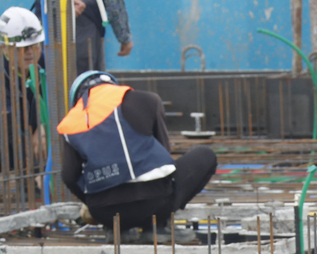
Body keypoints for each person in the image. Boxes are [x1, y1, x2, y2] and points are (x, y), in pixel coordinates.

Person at [57, 70, 215, 244]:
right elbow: (164, 158)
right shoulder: (146, 100)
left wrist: (92, 202)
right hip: (155, 204)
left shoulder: (71, 121)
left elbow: (69, 176)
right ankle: (158, 227)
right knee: (204, 155)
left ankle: (118, 230)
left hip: (106, 213)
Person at [0, 7, 46, 166]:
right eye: (22, 48)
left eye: (35, 46)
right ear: (4, 48)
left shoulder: (48, 65)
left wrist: (43, 127)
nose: (30, 52)